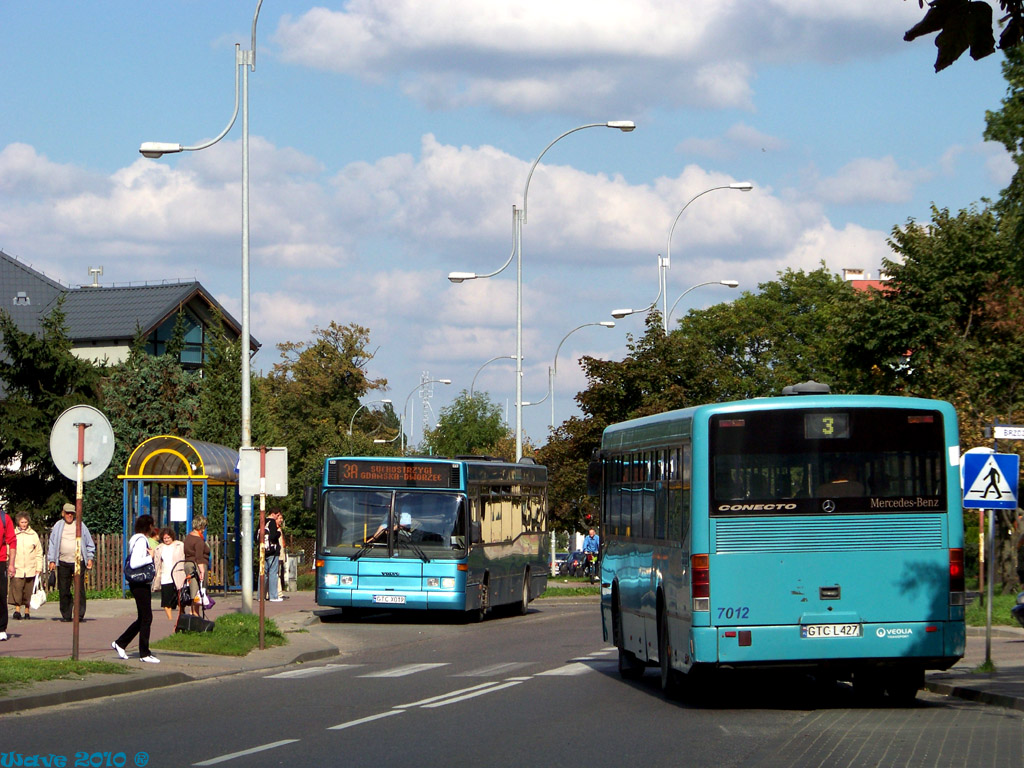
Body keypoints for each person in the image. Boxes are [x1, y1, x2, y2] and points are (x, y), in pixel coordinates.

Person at [112, 515, 160, 663]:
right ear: (149, 526)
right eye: (152, 525)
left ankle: (120, 643)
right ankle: (144, 653)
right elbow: (134, 563)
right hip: (140, 583)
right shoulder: (141, 541)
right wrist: (150, 557)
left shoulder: (136, 539)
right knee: (147, 617)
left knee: (143, 618)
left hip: (138, 584)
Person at [47, 502, 95, 622]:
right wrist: (52, 560)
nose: (69, 515)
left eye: (72, 513)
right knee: (64, 589)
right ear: (63, 513)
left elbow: (89, 543)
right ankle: (66, 614)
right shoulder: (58, 526)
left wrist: (89, 557)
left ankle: (79, 614)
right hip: (63, 561)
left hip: (78, 561)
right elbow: (52, 544)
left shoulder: (80, 525)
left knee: (79, 589)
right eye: (67, 513)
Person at [10, 513, 43, 621]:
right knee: (17, 589)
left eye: (25, 522)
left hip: (30, 568)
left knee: (28, 590)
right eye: (22, 522)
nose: (24, 524)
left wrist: (39, 567)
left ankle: (27, 611)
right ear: (18, 522)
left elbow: (38, 552)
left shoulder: (33, 535)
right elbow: (9, 549)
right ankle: (17, 610)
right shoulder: (14, 534)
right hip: (17, 567)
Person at [153, 527, 185, 621]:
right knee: (166, 601)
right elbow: (157, 562)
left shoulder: (180, 545)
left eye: (168, 537)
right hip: (165, 576)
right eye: (165, 538)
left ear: (172, 537)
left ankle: (181, 618)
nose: (166, 540)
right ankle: (170, 619)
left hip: (178, 576)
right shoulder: (159, 548)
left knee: (180, 599)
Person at [183, 515, 211, 616]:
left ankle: (194, 613)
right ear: (202, 526)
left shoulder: (188, 537)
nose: (204, 529)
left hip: (188, 565)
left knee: (193, 590)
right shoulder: (198, 540)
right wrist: (202, 570)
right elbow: (199, 557)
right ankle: (195, 615)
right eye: (204, 527)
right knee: (198, 591)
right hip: (196, 566)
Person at [0, 506, 16, 641]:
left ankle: (1, 628)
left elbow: (12, 541)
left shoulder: (4, 518)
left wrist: (11, 564)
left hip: (0, 561)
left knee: (1, 594)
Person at [263, 509, 284, 602]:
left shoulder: (262, 521)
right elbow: (273, 537)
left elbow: (256, 535)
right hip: (272, 552)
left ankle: (261, 596)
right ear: (273, 514)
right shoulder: (271, 523)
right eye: (277, 515)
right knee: (273, 573)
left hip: (263, 551)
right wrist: (278, 533)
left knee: (263, 574)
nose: (277, 517)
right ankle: (273, 596)